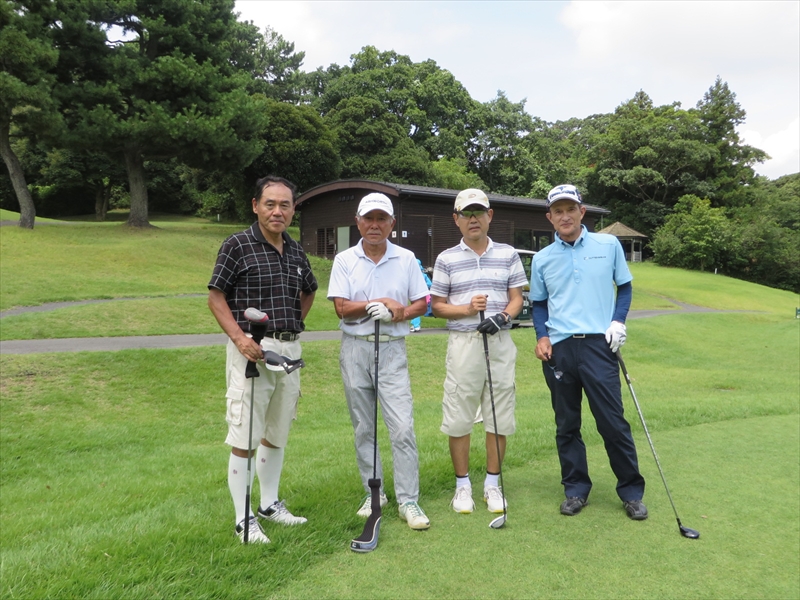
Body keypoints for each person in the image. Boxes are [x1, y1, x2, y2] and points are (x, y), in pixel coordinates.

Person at [208, 175, 318, 544]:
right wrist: (240, 338)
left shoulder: (296, 250)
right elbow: (216, 298)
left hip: (289, 351)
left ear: (293, 209)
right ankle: (244, 519)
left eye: (285, 205)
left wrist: (293, 324)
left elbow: (309, 291)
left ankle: (269, 504)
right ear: (256, 206)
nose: (277, 211)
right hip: (252, 351)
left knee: (276, 432)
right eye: (270, 204)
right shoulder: (237, 245)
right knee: (246, 435)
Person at [529, 184, 647, 521]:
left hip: (599, 345)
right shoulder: (542, 259)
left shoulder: (608, 245)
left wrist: (618, 321)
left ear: (582, 212)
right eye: (558, 211)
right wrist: (541, 336)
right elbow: (539, 303)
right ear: (550, 217)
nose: (565, 216)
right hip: (559, 349)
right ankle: (576, 489)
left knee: (612, 422)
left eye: (571, 209)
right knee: (567, 424)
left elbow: (624, 286)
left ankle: (631, 491)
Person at [327, 193, 432, 530]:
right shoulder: (345, 259)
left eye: (381, 219)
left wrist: (397, 312)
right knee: (364, 426)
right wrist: (380, 302)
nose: (375, 225)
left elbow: (422, 303)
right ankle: (374, 493)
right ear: (358, 222)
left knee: (402, 426)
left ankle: (408, 499)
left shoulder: (406, 258)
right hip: (355, 348)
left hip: (391, 349)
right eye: (369, 218)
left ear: (392, 223)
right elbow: (341, 307)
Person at [430, 188, 526, 515]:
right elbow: (437, 307)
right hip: (464, 343)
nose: (473, 219)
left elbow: (517, 298)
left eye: (479, 212)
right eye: (466, 213)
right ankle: (462, 487)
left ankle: (492, 484)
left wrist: (503, 317)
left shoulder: (508, 254)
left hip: (499, 341)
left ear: (490, 216)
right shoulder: (446, 258)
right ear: (456, 219)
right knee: (459, 414)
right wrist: (468, 310)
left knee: (499, 414)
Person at [409, 258, 432, 332]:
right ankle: (415, 325)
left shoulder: (412, 275)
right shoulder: (423, 275)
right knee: (416, 308)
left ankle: (416, 325)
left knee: (415, 308)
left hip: (416, 294)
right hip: (422, 294)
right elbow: (430, 284)